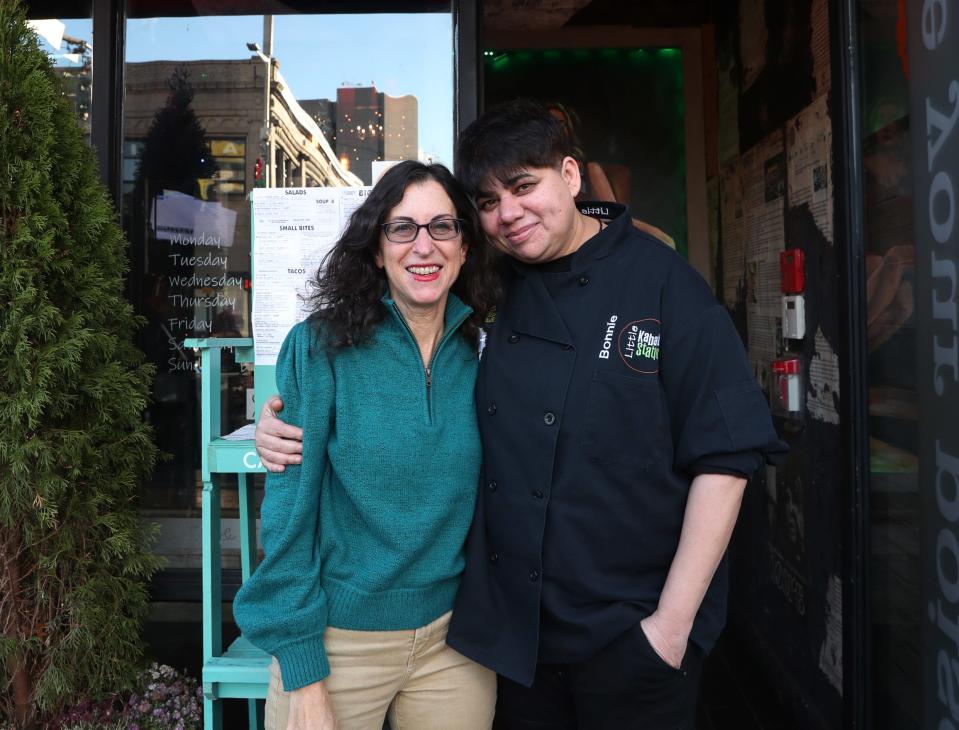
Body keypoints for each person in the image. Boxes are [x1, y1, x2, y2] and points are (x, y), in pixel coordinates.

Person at [254, 100, 786, 729]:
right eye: (487, 201)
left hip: (630, 636)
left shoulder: (666, 285)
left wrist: (670, 629)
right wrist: (283, 425)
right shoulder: (488, 296)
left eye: (524, 186)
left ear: (571, 174)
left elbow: (724, 459)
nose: (509, 213)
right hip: (512, 642)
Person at [233, 161, 499, 730]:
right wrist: (303, 672)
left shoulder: (490, 351)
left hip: (456, 642)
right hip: (338, 642)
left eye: (442, 227)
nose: (423, 245)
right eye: (402, 228)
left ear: (465, 245)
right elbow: (288, 515)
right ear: (377, 250)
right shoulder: (321, 348)